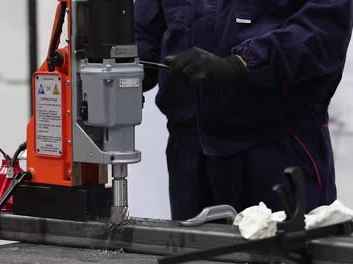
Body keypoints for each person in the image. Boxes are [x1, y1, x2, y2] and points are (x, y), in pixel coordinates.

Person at [135, 0, 352, 220]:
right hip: (190, 154)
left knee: (286, 251)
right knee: (194, 250)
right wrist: (124, 71)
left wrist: (244, 62)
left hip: (279, 150)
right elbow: (143, 31)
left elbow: (323, 28)